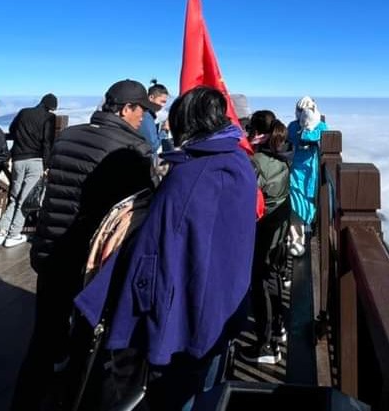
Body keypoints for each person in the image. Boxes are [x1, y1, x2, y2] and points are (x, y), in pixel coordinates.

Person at [73, 86, 258, 410]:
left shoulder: (190, 174)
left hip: (179, 324)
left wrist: (130, 312)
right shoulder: (237, 162)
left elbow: (154, 250)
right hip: (220, 308)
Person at [11, 79, 156, 411]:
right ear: (125, 109)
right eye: (141, 111)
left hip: (50, 250)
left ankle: (22, 401)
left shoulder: (68, 137)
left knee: (44, 338)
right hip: (92, 263)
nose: (143, 119)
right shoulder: (132, 150)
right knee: (85, 342)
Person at [241, 110, 292, 365]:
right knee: (271, 280)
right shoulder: (282, 156)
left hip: (263, 231)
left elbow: (247, 198)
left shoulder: (257, 161)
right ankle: (277, 332)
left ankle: (266, 345)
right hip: (278, 230)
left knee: (261, 284)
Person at [0, 93, 58, 248]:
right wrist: (47, 164)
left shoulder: (24, 112)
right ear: (51, 107)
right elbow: (48, 142)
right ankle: (14, 234)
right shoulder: (49, 118)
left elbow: (12, 128)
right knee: (26, 200)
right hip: (36, 161)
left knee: (14, 197)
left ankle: (1, 231)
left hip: (17, 159)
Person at [287, 96, 327, 257]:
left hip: (312, 173)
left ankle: (308, 230)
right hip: (297, 172)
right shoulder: (293, 126)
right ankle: (296, 241)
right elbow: (299, 137)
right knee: (296, 205)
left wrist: (310, 122)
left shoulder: (321, 126)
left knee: (311, 203)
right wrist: (306, 124)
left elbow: (316, 136)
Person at [138, 80, 170, 164]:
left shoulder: (148, 115)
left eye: (165, 102)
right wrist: (164, 130)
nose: (163, 105)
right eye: (161, 101)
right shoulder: (146, 117)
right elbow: (153, 146)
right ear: (151, 98)